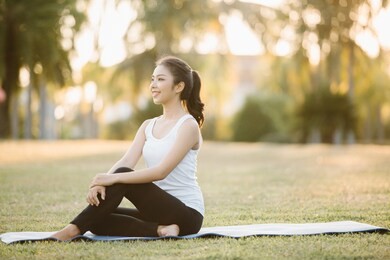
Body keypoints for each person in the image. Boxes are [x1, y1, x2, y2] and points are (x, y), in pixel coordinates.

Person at [52, 56, 205, 241]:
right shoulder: (148, 125)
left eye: (161, 79)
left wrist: (111, 178)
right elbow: (126, 161)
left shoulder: (188, 126)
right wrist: (101, 183)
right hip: (156, 210)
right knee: (97, 217)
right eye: (152, 79)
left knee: (122, 175)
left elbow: (161, 172)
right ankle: (161, 230)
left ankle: (72, 231)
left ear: (179, 87)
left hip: (187, 214)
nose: (153, 85)